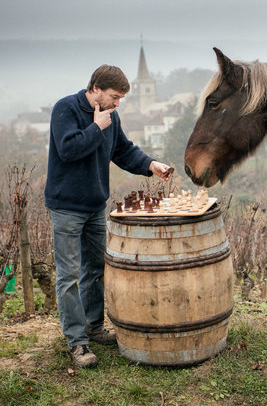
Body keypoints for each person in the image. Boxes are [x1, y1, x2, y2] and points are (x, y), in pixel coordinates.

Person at [44, 65, 173, 368]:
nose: (117, 104)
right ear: (97, 89)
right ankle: (77, 343)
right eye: (114, 97)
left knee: (96, 269)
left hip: (94, 206)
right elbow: (68, 150)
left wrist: (151, 164)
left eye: (120, 99)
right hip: (65, 207)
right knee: (68, 276)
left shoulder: (110, 117)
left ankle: (93, 327)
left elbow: (123, 150)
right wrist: (96, 127)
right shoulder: (65, 109)